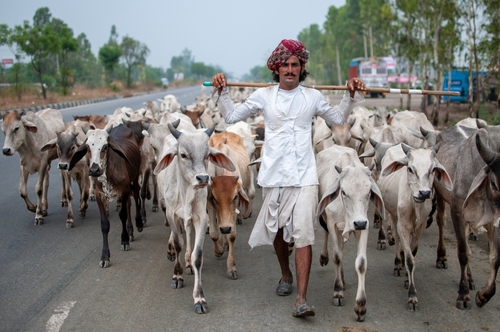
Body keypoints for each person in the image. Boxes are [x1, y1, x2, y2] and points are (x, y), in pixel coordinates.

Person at [211, 39, 366, 317]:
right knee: (279, 232)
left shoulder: (313, 97)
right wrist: (221, 90)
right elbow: (231, 115)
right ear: (277, 69)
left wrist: (350, 94)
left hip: (305, 174)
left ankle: (302, 299)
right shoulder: (264, 96)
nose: (291, 69)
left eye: (296, 65)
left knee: (304, 233)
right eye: (286, 65)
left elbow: (339, 118)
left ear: (301, 68)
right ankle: (286, 275)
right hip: (274, 174)